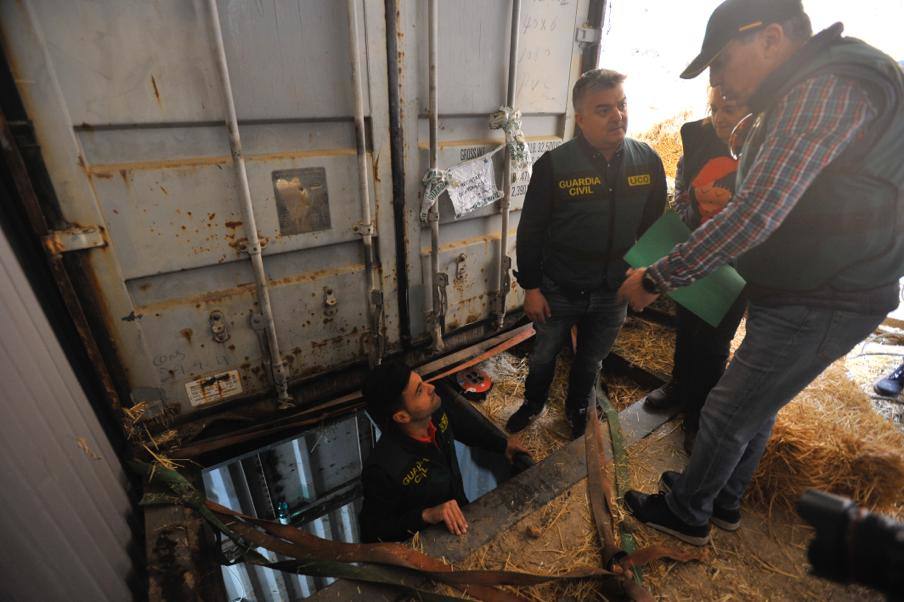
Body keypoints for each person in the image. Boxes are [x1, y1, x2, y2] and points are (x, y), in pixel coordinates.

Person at [618, 0, 904, 546]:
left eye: (723, 61)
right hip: (810, 282)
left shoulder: (823, 89)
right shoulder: (817, 84)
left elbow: (755, 213)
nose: (719, 80)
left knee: (727, 408)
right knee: (755, 402)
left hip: (830, 292)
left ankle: (687, 514)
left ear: (771, 39)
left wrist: (657, 277)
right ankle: (722, 500)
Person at [510, 68, 667, 439]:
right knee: (544, 355)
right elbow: (530, 231)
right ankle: (533, 403)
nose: (618, 115)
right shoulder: (554, 166)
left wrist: (645, 274)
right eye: (603, 109)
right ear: (580, 119)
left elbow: (654, 227)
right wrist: (531, 287)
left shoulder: (647, 161)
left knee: (591, 360)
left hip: (613, 290)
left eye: (622, 105)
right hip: (559, 288)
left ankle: (578, 408)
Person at [643, 87, 750, 454]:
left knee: (715, 342)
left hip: (734, 263)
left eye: (731, 108)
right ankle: (679, 387)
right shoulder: (697, 139)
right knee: (686, 324)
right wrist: (687, 215)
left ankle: (698, 414)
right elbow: (682, 186)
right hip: (693, 250)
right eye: (715, 108)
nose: (721, 117)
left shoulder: (762, 152)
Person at [358, 361, 529, 542]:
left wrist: (502, 445)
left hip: (461, 517)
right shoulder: (384, 469)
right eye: (419, 391)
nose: (430, 387)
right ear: (402, 416)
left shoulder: (435, 413)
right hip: (431, 543)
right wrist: (426, 515)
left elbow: (462, 428)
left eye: (422, 381)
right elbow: (373, 532)